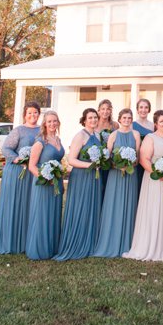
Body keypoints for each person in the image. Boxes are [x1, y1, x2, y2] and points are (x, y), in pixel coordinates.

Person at [123, 110, 163, 261]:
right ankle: (158, 245)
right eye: (161, 121)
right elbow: (144, 159)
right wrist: (159, 174)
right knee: (159, 209)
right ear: (156, 124)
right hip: (157, 180)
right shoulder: (151, 138)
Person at [53, 108, 105, 260]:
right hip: (82, 176)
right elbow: (71, 160)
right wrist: (89, 165)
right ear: (84, 120)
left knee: (91, 206)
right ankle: (76, 242)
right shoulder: (80, 136)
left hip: (94, 176)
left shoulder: (97, 135)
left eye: (95, 117)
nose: (93, 120)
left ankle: (90, 242)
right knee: (81, 207)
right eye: (90, 118)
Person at [0, 102, 42, 254]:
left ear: (39, 114)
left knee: (29, 204)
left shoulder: (42, 130)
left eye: (35, 113)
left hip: (32, 173)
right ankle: (11, 241)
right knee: (15, 204)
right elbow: (5, 148)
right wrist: (19, 159)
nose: (33, 115)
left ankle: (27, 240)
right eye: (30, 113)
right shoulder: (18, 130)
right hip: (16, 172)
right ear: (24, 115)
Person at [92, 108, 142, 257]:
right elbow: (108, 156)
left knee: (129, 204)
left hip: (130, 174)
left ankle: (128, 241)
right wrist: (118, 165)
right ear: (119, 119)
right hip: (115, 175)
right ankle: (111, 240)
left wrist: (130, 165)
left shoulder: (136, 134)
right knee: (114, 204)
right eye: (124, 118)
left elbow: (138, 156)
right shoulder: (113, 135)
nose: (126, 120)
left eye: (129, 118)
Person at [25, 111, 65, 260]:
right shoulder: (40, 142)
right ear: (44, 124)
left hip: (56, 183)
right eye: (49, 122)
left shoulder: (58, 140)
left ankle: (52, 247)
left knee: (53, 213)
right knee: (42, 214)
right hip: (43, 184)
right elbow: (32, 166)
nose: (52, 124)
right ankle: (38, 249)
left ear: (58, 123)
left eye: (55, 121)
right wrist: (45, 177)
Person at [133, 98, 155, 195]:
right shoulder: (132, 125)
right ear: (137, 110)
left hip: (148, 159)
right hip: (136, 160)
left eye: (146, 107)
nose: (143, 110)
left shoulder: (153, 126)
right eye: (141, 107)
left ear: (149, 110)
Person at [96, 98, 116, 193]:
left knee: (107, 187)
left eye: (108, 109)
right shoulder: (93, 124)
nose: (105, 111)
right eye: (103, 109)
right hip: (96, 160)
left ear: (111, 111)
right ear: (98, 111)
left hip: (109, 161)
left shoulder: (115, 126)